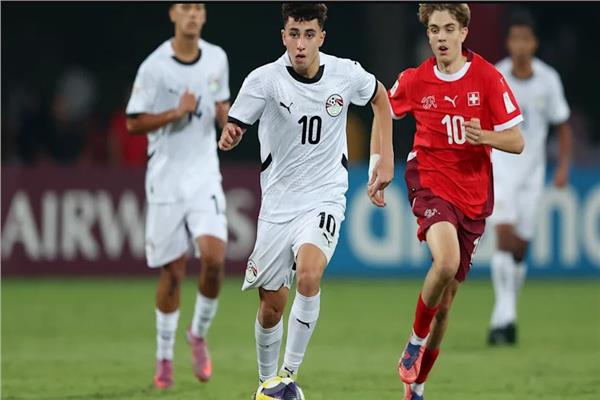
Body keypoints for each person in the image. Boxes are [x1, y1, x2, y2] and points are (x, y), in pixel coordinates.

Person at [219, 2, 394, 390]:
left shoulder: (345, 74)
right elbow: (236, 124)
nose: (301, 44)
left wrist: (383, 159)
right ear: (283, 36)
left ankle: (288, 377)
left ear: (321, 38)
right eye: (294, 34)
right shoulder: (264, 81)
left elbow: (381, 98)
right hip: (278, 206)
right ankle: (267, 384)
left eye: (309, 35)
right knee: (271, 307)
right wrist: (232, 133)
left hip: (324, 196)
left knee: (310, 274)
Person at [374, 4, 525, 399]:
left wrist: (484, 136)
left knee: (445, 306)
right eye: (433, 29)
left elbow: (516, 140)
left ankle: (418, 386)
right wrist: (379, 162)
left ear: (463, 32)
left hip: (472, 197)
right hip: (429, 181)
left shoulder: (487, 78)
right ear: (427, 34)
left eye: (448, 29)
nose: (440, 37)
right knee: (445, 262)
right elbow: (381, 107)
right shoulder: (415, 80)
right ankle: (413, 343)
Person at [125, 3, 230, 389]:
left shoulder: (217, 58)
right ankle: (164, 357)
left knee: (215, 259)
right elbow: (133, 122)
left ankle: (198, 334)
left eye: (198, 7)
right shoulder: (155, 67)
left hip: (204, 177)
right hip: (166, 181)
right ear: (173, 14)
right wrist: (175, 112)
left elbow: (220, 103)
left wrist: (228, 120)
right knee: (172, 272)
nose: (193, 14)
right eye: (186, 7)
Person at [488, 10, 572, 345]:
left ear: (534, 43)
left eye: (526, 39)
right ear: (508, 42)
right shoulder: (496, 76)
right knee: (504, 236)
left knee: (520, 247)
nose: (520, 45)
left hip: (532, 173)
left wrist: (562, 167)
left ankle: (505, 314)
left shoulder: (548, 80)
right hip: (500, 168)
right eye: (515, 39)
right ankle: (504, 317)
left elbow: (562, 125)